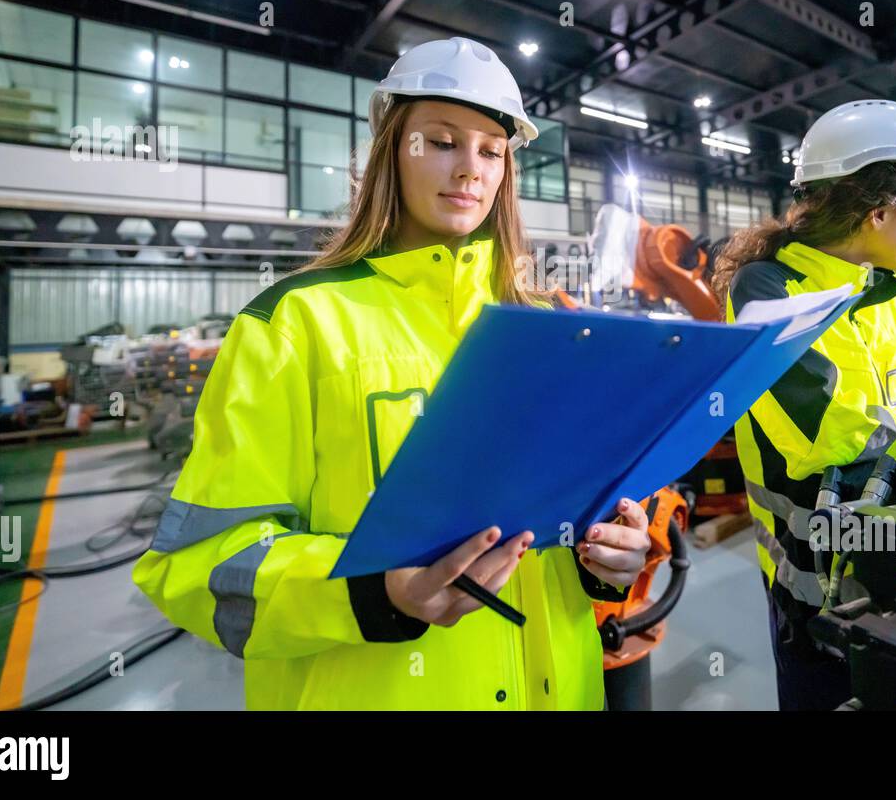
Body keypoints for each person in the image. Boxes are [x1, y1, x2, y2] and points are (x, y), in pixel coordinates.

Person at [133, 38, 650, 709]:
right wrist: (374, 592)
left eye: (491, 151)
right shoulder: (295, 324)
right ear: (391, 151)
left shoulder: (547, 326)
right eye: (441, 142)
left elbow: (567, 513)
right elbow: (195, 567)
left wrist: (608, 558)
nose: (470, 169)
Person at [711, 100, 896, 710]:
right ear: (879, 208)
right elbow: (830, 431)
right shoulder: (768, 288)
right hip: (816, 592)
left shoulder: (884, 292)